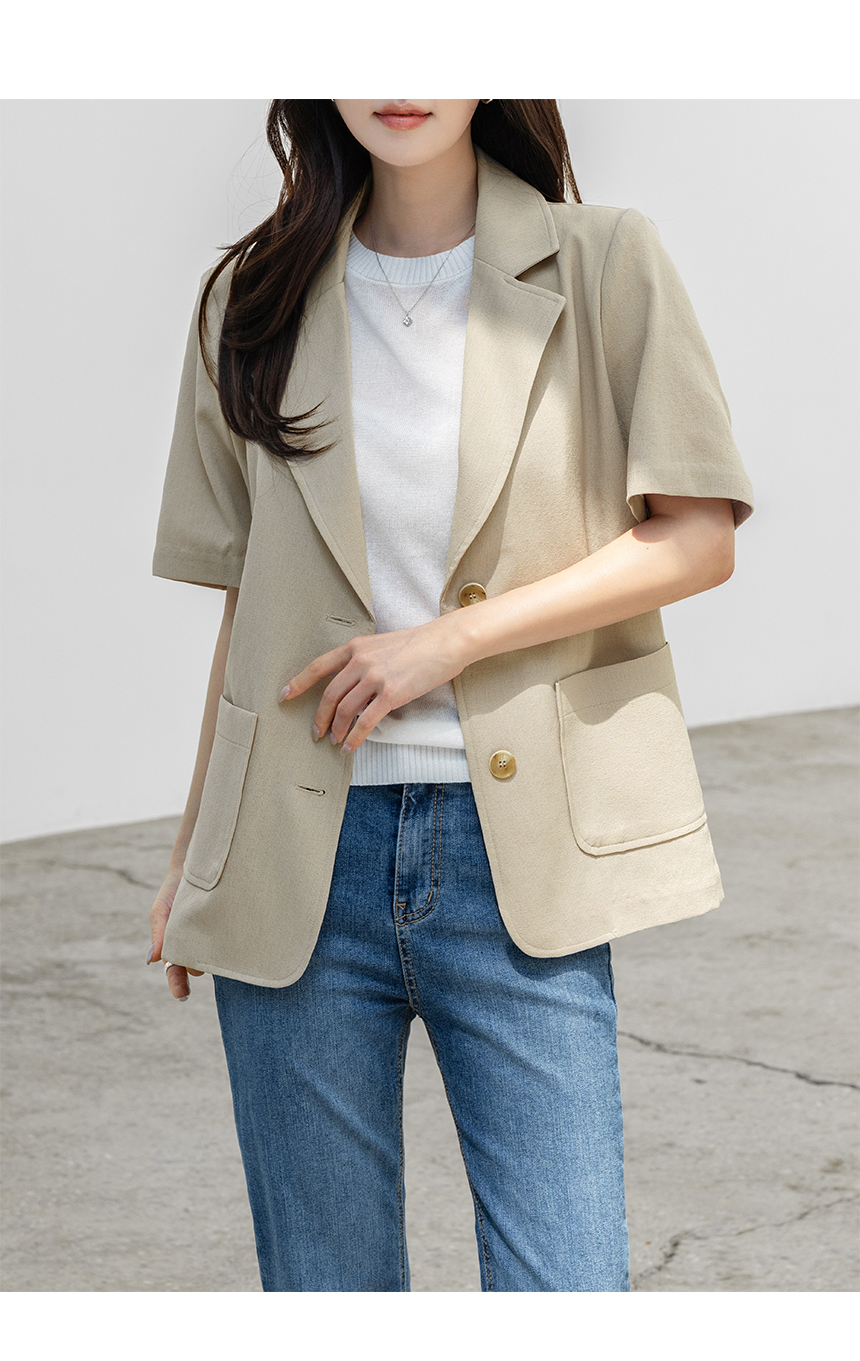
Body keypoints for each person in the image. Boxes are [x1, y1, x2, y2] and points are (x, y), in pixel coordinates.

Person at [147, 99, 754, 1293]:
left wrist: (446, 644)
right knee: (327, 1295)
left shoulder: (602, 260)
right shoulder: (249, 298)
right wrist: (191, 859)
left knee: (564, 1290)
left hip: (512, 854)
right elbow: (246, 609)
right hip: (293, 859)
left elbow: (697, 537)